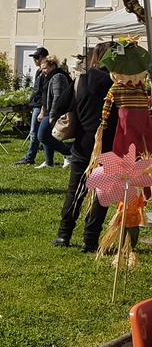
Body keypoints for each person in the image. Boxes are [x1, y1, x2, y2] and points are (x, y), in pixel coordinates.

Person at [53, 43, 114, 250]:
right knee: (102, 193)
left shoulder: (82, 79)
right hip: (110, 142)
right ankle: (90, 239)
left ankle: (64, 234)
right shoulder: (120, 84)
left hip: (84, 141)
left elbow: (61, 106)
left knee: (76, 189)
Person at [13, 48, 51, 166]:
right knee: (41, 133)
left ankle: (30, 158)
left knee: (35, 132)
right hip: (37, 104)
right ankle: (48, 159)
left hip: (41, 105)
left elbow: (44, 92)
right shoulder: (39, 71)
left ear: (43, 58)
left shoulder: (45, 72)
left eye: (36, 57)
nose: (35, 60)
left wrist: (41, 108)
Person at [35, 56, 73, 169]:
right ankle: (48, 162)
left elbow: (57, 98)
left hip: (55, 112)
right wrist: (42, 112)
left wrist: (52, 115)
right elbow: (45, 97)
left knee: (42, 136)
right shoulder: (49, 77)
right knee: (47, 135)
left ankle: (68, 152)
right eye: (42, 69)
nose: (43, 71)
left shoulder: (58, 77)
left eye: (45, 68)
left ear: (52, 66)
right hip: (48, 111)